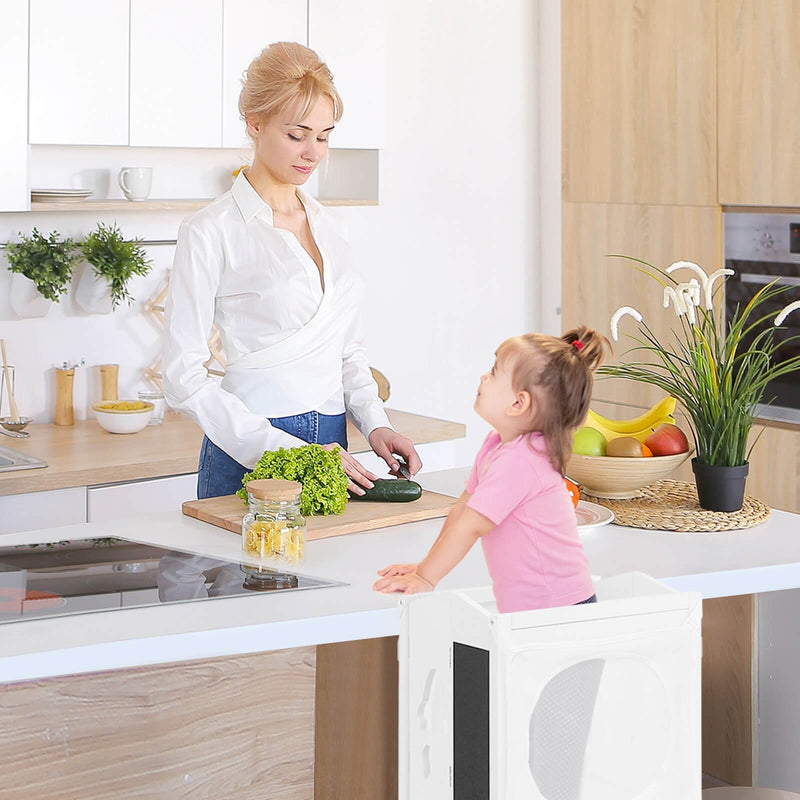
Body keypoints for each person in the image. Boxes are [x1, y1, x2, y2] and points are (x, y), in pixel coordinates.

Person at [162, 42, 420, 499]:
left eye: (323, 136)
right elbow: (183, 379)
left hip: (334, 443)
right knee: (242, 572)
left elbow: (347, 351)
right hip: (253, 448)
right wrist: (288, 452)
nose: (312, 152)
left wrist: (376, 424)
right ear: (255, 124)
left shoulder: (331, 226)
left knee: (328, 571)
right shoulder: (210, 231)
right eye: (297, 134)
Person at [374, 326, 611, 613]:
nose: (484, 376)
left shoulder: (523, 460)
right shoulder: (498, 444)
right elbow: (462, 511)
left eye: (495, 371)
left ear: (518, 403)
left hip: (560, 610)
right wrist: (425, 568)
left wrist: (427, 577)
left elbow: (471, 525)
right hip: (537, 609)